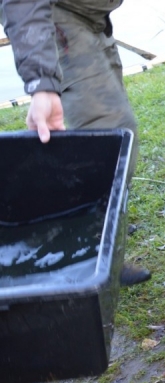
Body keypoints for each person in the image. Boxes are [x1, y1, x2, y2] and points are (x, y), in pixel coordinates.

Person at [1, 0, 151, 286]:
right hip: (55, 12)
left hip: (93, 12)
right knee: (110, 128)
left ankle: (108, 226)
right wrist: (42, 83)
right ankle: (90, 253)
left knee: (117, 123)